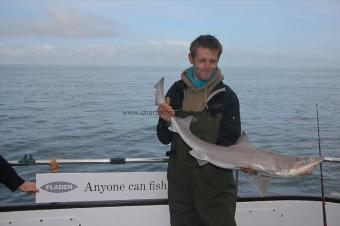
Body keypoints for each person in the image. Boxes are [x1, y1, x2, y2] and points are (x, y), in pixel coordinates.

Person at [157, 35, 253, 226]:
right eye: (202, 60)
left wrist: (246, 161)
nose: (207, 66)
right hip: (181, 187)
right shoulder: (175, 92)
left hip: (216, 187)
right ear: (191, 59)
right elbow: (164, 138)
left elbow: (230, 143)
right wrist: (165, 121)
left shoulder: (227, 97)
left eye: (212, 61)